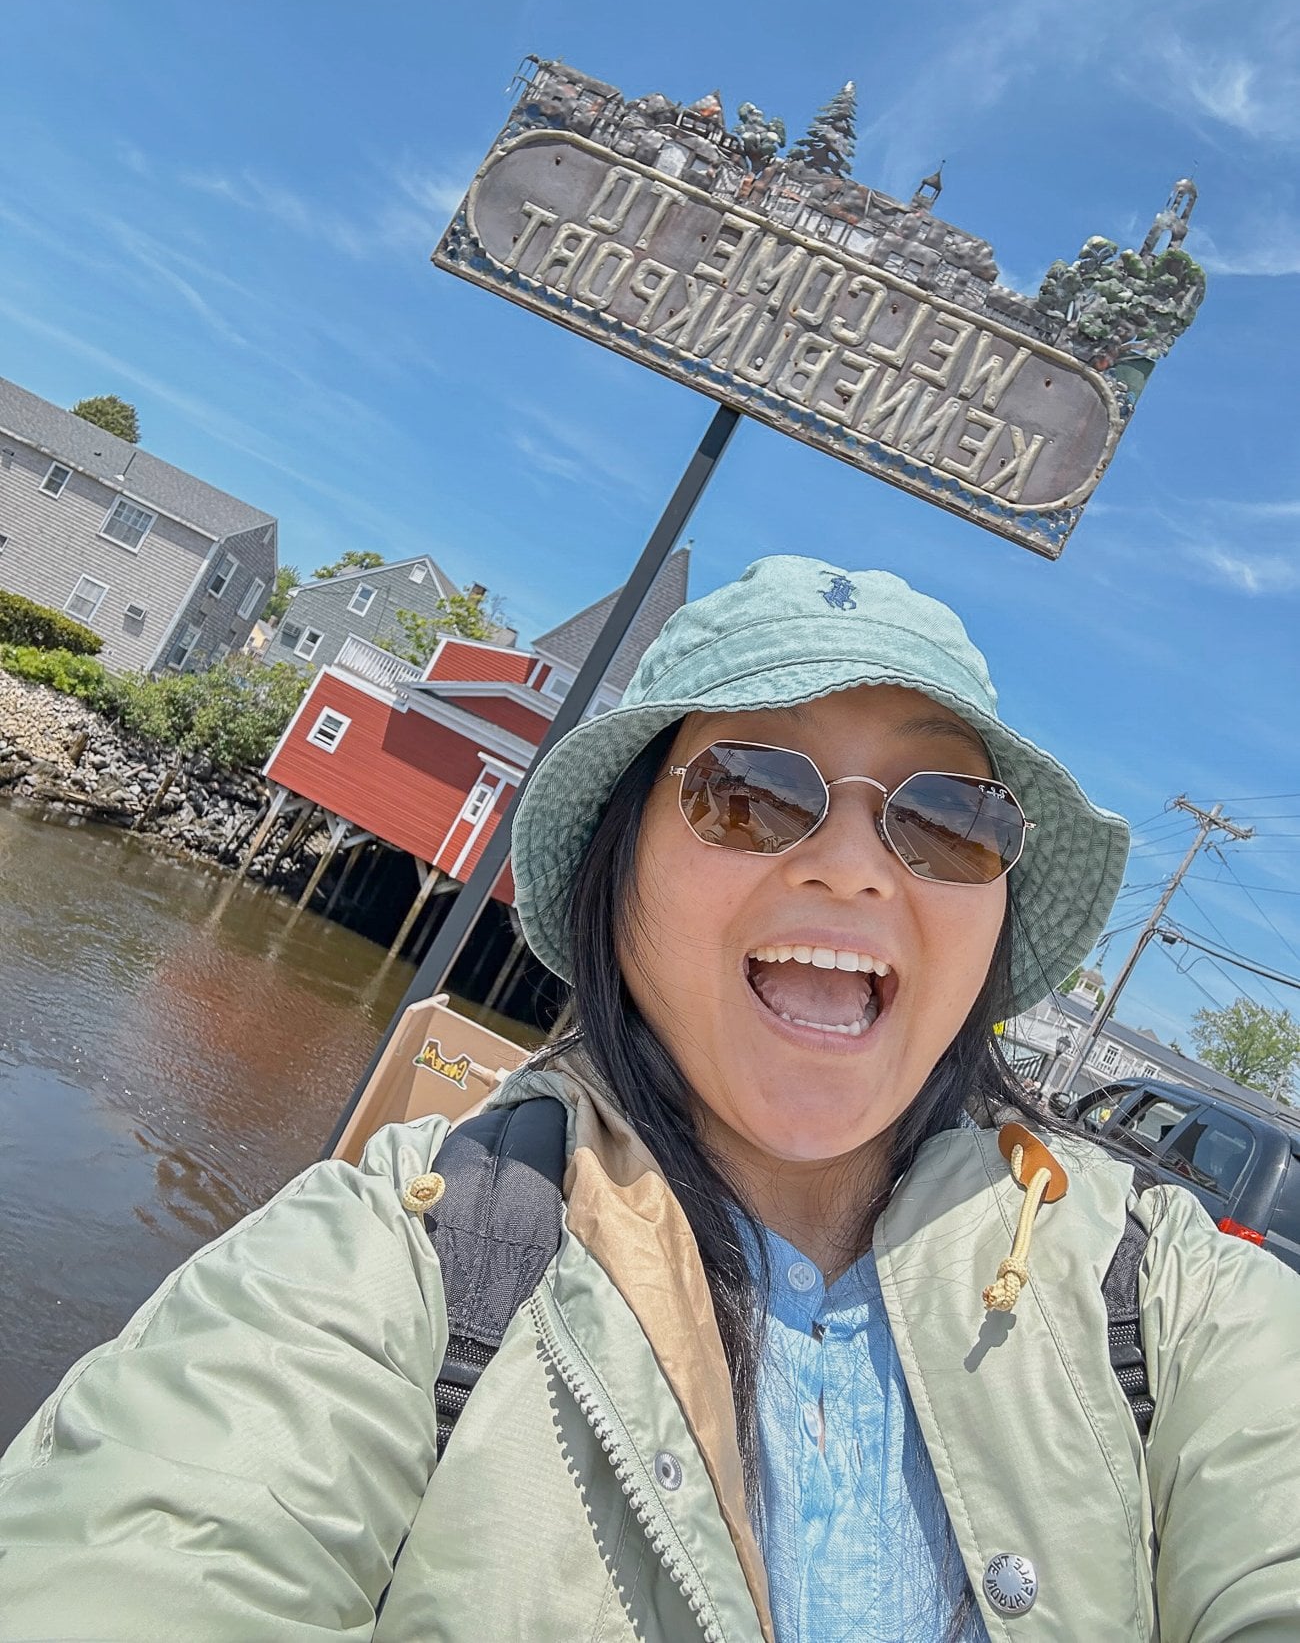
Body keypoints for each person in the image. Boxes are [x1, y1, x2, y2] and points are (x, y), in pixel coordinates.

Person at [1, 554, 1298, 1640]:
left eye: (948, 816)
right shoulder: (420, 1259)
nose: (852, 864)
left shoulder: (1162, 1299)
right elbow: (150, 1544)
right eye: (749, 788)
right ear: (618, 879)